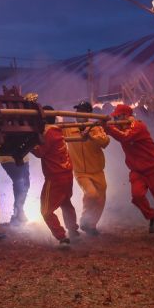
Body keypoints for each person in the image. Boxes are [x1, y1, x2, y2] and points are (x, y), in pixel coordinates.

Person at [103, 104, 154, 235]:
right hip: (137, 170)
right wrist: (103, 125)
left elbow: (124, 136)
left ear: (125, 116)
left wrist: (108, 126)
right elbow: (113, 131)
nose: (116, 119)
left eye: (118, 116)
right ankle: (153, 217)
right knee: (137, 196)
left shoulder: (138, 126)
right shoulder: (120, 127)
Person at [31, 106, 78, 248]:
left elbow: (39, 152)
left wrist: (27, 143)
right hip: (67, 175)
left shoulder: (48, 133)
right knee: (65, 203)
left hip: (55, 178)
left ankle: (62, 237)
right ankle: (74, 231)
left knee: (46, 211)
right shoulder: (57, 131)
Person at [63, 101, 109, 236]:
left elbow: (105, 142)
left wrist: (89, 136)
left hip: (98, 170)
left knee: (100, 199)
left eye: (82, 111)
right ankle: (84, 221)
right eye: (78, 111)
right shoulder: (68, 127)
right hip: (80, 172)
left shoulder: (96, 128)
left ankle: (91, 225)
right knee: (91, 194)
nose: (79, 114)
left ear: (88, 114)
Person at [0, 155, 30, 225]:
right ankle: (18, 213)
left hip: (23, 156)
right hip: (8, 157)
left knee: (26, 184)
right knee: (19, 181)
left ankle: (19, 212)